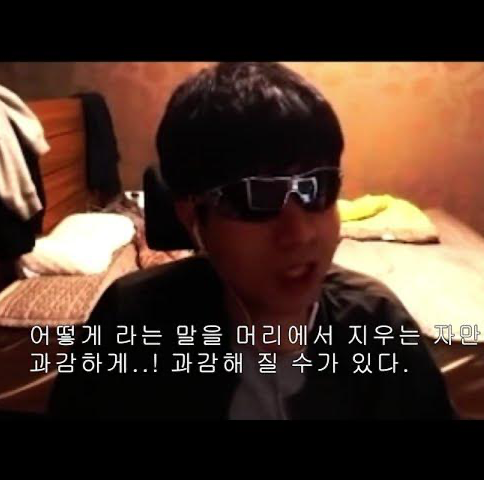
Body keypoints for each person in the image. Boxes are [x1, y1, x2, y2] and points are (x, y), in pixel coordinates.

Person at [48, 62, 456, 419]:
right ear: (192, 215)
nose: (300, 234)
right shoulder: (130, 322)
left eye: (316, 188)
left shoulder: (377, 324)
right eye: (257, 198)